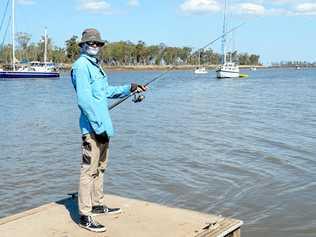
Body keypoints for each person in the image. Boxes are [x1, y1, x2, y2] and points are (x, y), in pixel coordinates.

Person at [71, 28, 147, 232]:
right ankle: (85, 215)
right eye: (90, 43)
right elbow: (85, 101)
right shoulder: (81, 67)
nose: (94, 46)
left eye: (97, 43)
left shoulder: (96, 67)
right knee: (88, 171)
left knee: (100, 168)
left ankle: (97, 205)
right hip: (93, 128)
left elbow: (106, 92)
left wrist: (130, 87)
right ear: (83, 45)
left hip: (104, 127)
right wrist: (97, 127)